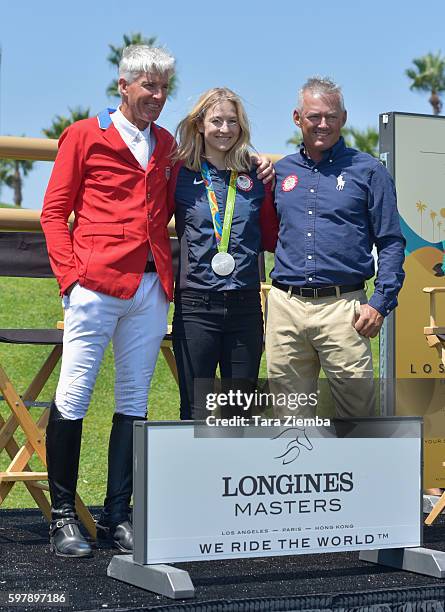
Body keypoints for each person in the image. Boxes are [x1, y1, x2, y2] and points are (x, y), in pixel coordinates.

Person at [41, 48, 273, 558]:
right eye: (149, 86)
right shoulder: (83, 134)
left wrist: (254, 160)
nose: (157, 96)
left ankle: (116, 515)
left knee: (133, 399)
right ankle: (62, 519)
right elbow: (54, 212)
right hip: (95, 287)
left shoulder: (168, 144)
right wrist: (70, 279)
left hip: (151, 289)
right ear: (123, 85)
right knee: (75, 394)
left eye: (164, 88)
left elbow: (214, 170)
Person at [265, 76, 405, 418]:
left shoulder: (369, 171)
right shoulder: (280, 173)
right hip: (285, 306)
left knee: (355, 418)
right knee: (289, 420)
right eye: (314, 116)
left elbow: (390, 242)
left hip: (346, 309)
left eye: (331, 116)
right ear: (298, 118)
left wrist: (379, 303)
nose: (323, 124)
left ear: (343, 118)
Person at [169, 88, 276, 419]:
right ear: (200, 124)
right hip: (196, 307)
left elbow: (271, 235)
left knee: (239, 414)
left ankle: (234, 473)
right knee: (196, 410)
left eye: (233, 121)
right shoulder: (179, 173)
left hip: (244, 306)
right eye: (216, 121)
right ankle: (193, 473)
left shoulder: (256, 175)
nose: (225, 129)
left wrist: (269, 181)